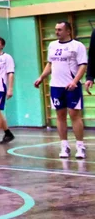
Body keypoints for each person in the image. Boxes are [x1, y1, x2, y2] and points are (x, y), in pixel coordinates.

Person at [34, 21, 88, 159]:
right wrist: (41, 77)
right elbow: (50, 64)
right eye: (56, 29)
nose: (57, 32)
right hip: (56, 87)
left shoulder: (77, 46)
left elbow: (83, 66)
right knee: (60, 115)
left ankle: (80, 147)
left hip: (72, 86)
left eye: (60, 29)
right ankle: (64, 146)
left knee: (74, 115)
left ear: (68, 31)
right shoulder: (52, 45)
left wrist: (75, 81)